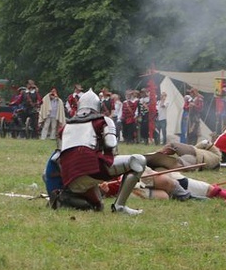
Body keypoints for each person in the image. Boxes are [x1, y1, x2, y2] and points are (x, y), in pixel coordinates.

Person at [54, 89, 191, 216]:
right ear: (97, 106)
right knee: (138, 160)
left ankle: (68, 199)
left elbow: (57, 157)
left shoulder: (66, 126)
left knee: (98, 207)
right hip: (92, 170)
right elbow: (111, 144)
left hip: (69, 177)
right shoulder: (103, 121)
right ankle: (120, 206)